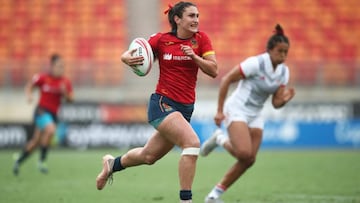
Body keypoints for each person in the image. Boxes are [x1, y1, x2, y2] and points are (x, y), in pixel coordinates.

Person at [95, 1, 218, 202]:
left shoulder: (202, 39)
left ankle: (112, 164)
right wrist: (126, 58)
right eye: (191, 16)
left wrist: (195, 58)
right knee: (192, 142)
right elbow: (132, 53)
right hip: (162, 104)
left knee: (148, 156)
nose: (196, 20)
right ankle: (186, 199)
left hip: (185, 109)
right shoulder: (162, 40)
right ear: (177, 19)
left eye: (197, 16)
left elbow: (214, 70)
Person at [200, 24, 295, 203]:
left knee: (249, 160)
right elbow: (227, 79)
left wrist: (285, 99)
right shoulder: (256, 63)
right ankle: (220, 138)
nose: (283, 56)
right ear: (270, 50)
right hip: (237, 109)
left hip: (256, 114)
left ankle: (213, 196)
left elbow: (275, 103)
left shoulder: (284, 72)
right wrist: (220, 111)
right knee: (244, 153)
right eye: (280, 51)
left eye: (286, 52)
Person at [13, 54, 74, 175]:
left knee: (35, 142)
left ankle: (18, 161)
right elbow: (30, 86)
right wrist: (29, 95)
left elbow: (71, 99)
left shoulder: (65, 82)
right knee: (50, 130)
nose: (61, 69)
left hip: (53, 114)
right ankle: (42, 161)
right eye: (58, 66)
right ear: (51, 66)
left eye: (62, 66)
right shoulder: (42, 77)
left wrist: (65, 93)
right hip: (41, 110)